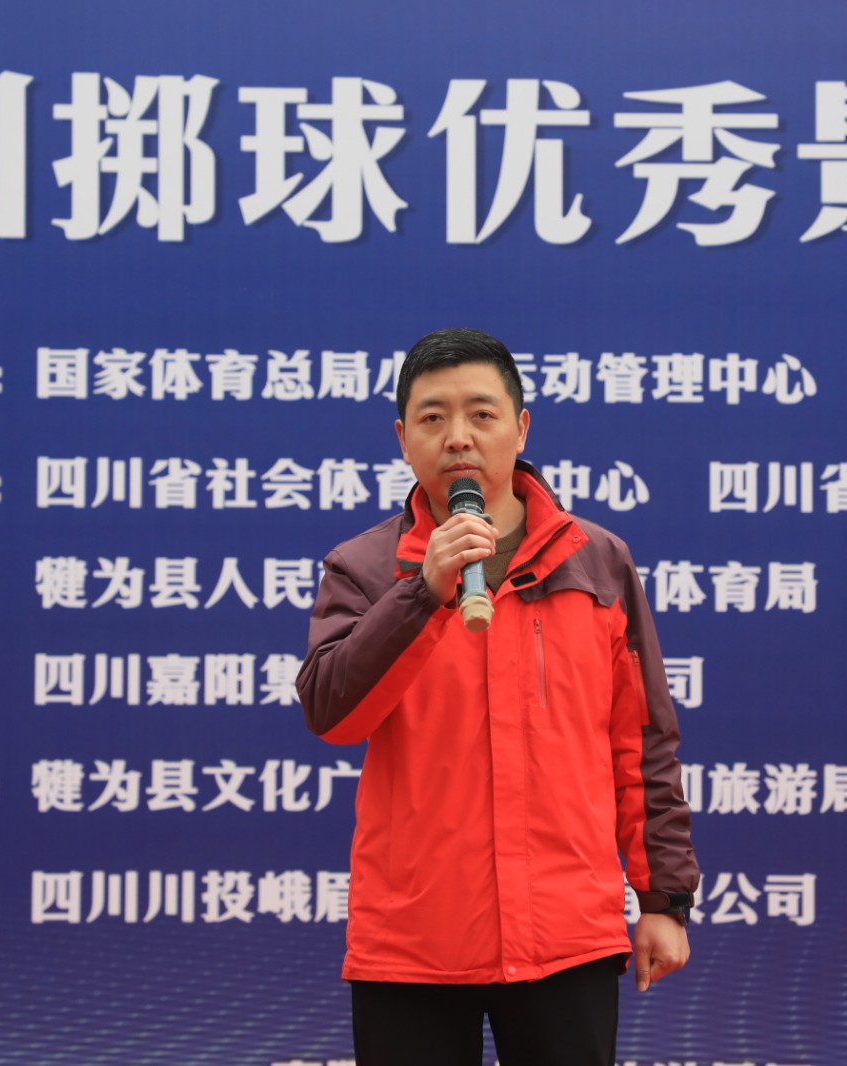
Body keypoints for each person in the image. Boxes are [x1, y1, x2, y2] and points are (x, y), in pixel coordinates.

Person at [297, 327, 700, 1066]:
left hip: (566, 934)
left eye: (481, 414)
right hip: (413, 942)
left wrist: (663, 901)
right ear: (403, 439)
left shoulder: (596, 562)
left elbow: (641, 742)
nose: (458, 437)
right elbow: (332, 713)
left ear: (521, 428)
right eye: (433, 417)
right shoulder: (365, 568)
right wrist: (421, 594)